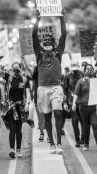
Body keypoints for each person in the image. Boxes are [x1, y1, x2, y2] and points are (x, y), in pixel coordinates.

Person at [32, 9, 67, 154]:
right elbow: (34, 35)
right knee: (46, 116)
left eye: (49, 42)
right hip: (42, 89)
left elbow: (64, 34)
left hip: (56, 88)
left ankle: (59, 143)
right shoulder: (39, 55)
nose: (46, 43)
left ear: (53, 44)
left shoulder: (58, 53)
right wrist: (38, 19)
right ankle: (52, 144)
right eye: (44, 42)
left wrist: (61, 18)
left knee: (58, 113)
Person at [72, 64, 97, 152]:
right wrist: (74, 103)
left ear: (93, 71)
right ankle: (86, 144)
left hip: (94, 108)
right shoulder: (80, 81)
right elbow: (76, 94)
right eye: (88, 69)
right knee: (86, 126)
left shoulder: (96, 81)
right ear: (85, 71)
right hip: (83, 108)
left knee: (95, 124)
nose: (90, 70)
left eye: (91, 69)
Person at [5, 62, 31, 158]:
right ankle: (12, 149)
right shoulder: (9, 78)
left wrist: (27, 104)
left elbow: (28, 93)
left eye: (17, 68)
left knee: (19, 129)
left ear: (20, 68)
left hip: (20, 107)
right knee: (12, 128)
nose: (16, 70)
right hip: (11, 106)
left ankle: (19, 150)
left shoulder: (24, 79)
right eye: (14, 68)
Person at [22, 56, 46, 142]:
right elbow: (29, 68)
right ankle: (42, 133)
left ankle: (49, 136)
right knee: (40, 119)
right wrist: (24, 59)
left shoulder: (48, 75)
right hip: (38, 99)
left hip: (46, 98)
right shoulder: (35, 76)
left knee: (47, 118)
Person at [63, 62, 84, 147]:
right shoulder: (67, 76)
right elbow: (64, 89)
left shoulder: (82, 74)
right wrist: (65, 102)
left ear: (79, 67)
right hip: (72, 101)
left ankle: (83, 139)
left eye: (76, 69)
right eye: (73, 69)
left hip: (82, 100)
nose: (75, 71)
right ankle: (77, 140)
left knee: (83, 121)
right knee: (75, 121)